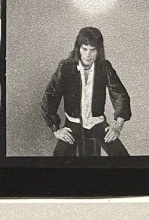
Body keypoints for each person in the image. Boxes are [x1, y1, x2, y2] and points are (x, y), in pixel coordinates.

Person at [41, 27, 131, 157]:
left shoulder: (104, 67)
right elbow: (49, 97)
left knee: (124, 161)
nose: (88, 55)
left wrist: (118, 126)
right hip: (72, 125)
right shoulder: (66, 67)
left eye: (92, 50)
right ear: (78, 48)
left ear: (99, 50)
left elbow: (120, 95)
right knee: (57, 165)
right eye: (84, 49)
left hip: (98, 124)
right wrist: (56, 129)